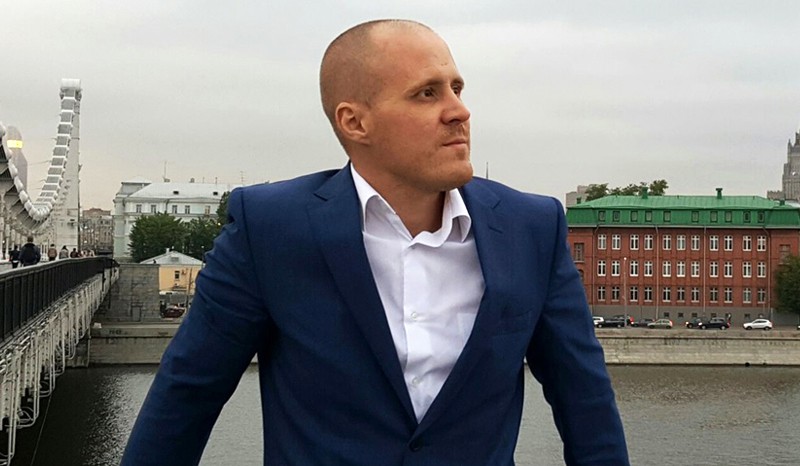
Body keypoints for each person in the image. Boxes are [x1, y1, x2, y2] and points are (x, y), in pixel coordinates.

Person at [122, 19, 628, 465]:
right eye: (426, 93)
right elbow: (187, 396)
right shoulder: (271, 229)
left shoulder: (531, 227)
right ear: (355, 122)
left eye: (456, 88)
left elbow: (584, 401)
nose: (459, 111)